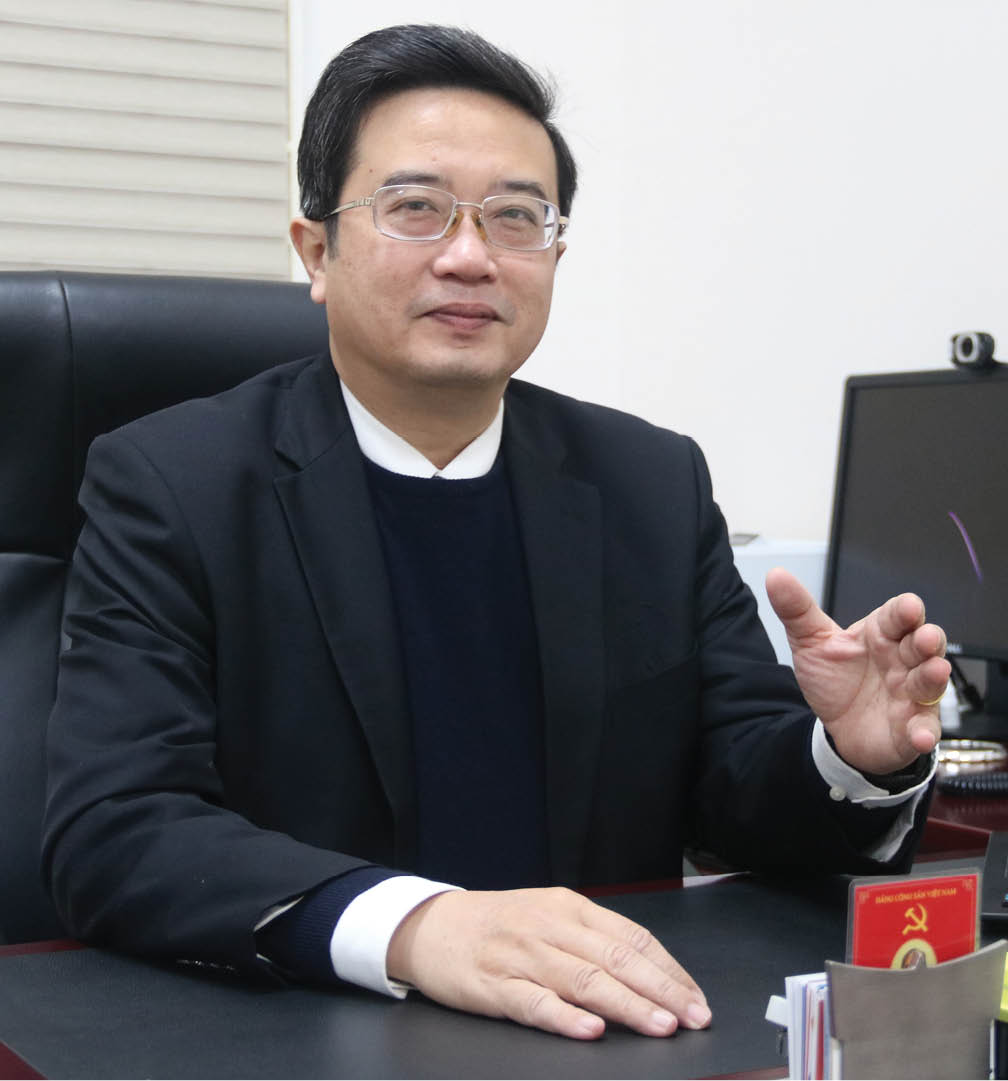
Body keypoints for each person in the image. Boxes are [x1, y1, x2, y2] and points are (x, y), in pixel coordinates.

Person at [42, 24, 950, 1042]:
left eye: (517, 217)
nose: (470, 257)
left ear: (554, 252)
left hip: (603, 1040)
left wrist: (850, 756)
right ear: (316, 251)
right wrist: (419, 926)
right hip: (304, 1036)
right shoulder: (175, 483)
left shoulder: (648, 482)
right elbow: (115, 828)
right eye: (415, 208)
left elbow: (734, 787)